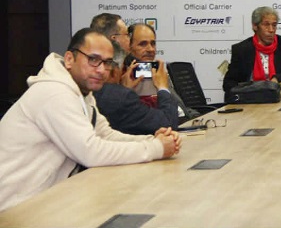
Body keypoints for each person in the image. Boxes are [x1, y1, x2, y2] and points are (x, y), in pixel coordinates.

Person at [0, 28, 181, 212]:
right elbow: (91, 152)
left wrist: (153, 140)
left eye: (107, 62)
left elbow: (105, 135)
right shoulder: (55, 93)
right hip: (13, 211)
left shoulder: (82, 92)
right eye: (93, 59)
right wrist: (156, 148)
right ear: (69, 59)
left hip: (42, 203)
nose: (101, 70)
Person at [126, 23, 199, 120]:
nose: (150, 49)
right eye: (143, 44)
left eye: (153, 43)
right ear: (129, 47)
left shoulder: (158, 72)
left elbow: (179, 106)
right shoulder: (126, 78)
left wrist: (196, 118)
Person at [223, 6, 281, 93]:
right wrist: (247, 88)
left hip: (280, 94)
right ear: (255, 26)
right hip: (251, 96)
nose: (271, 30)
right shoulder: (241, 49)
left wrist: (277, 78)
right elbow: (228, 83)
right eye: (266, 25)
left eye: (274, 25)